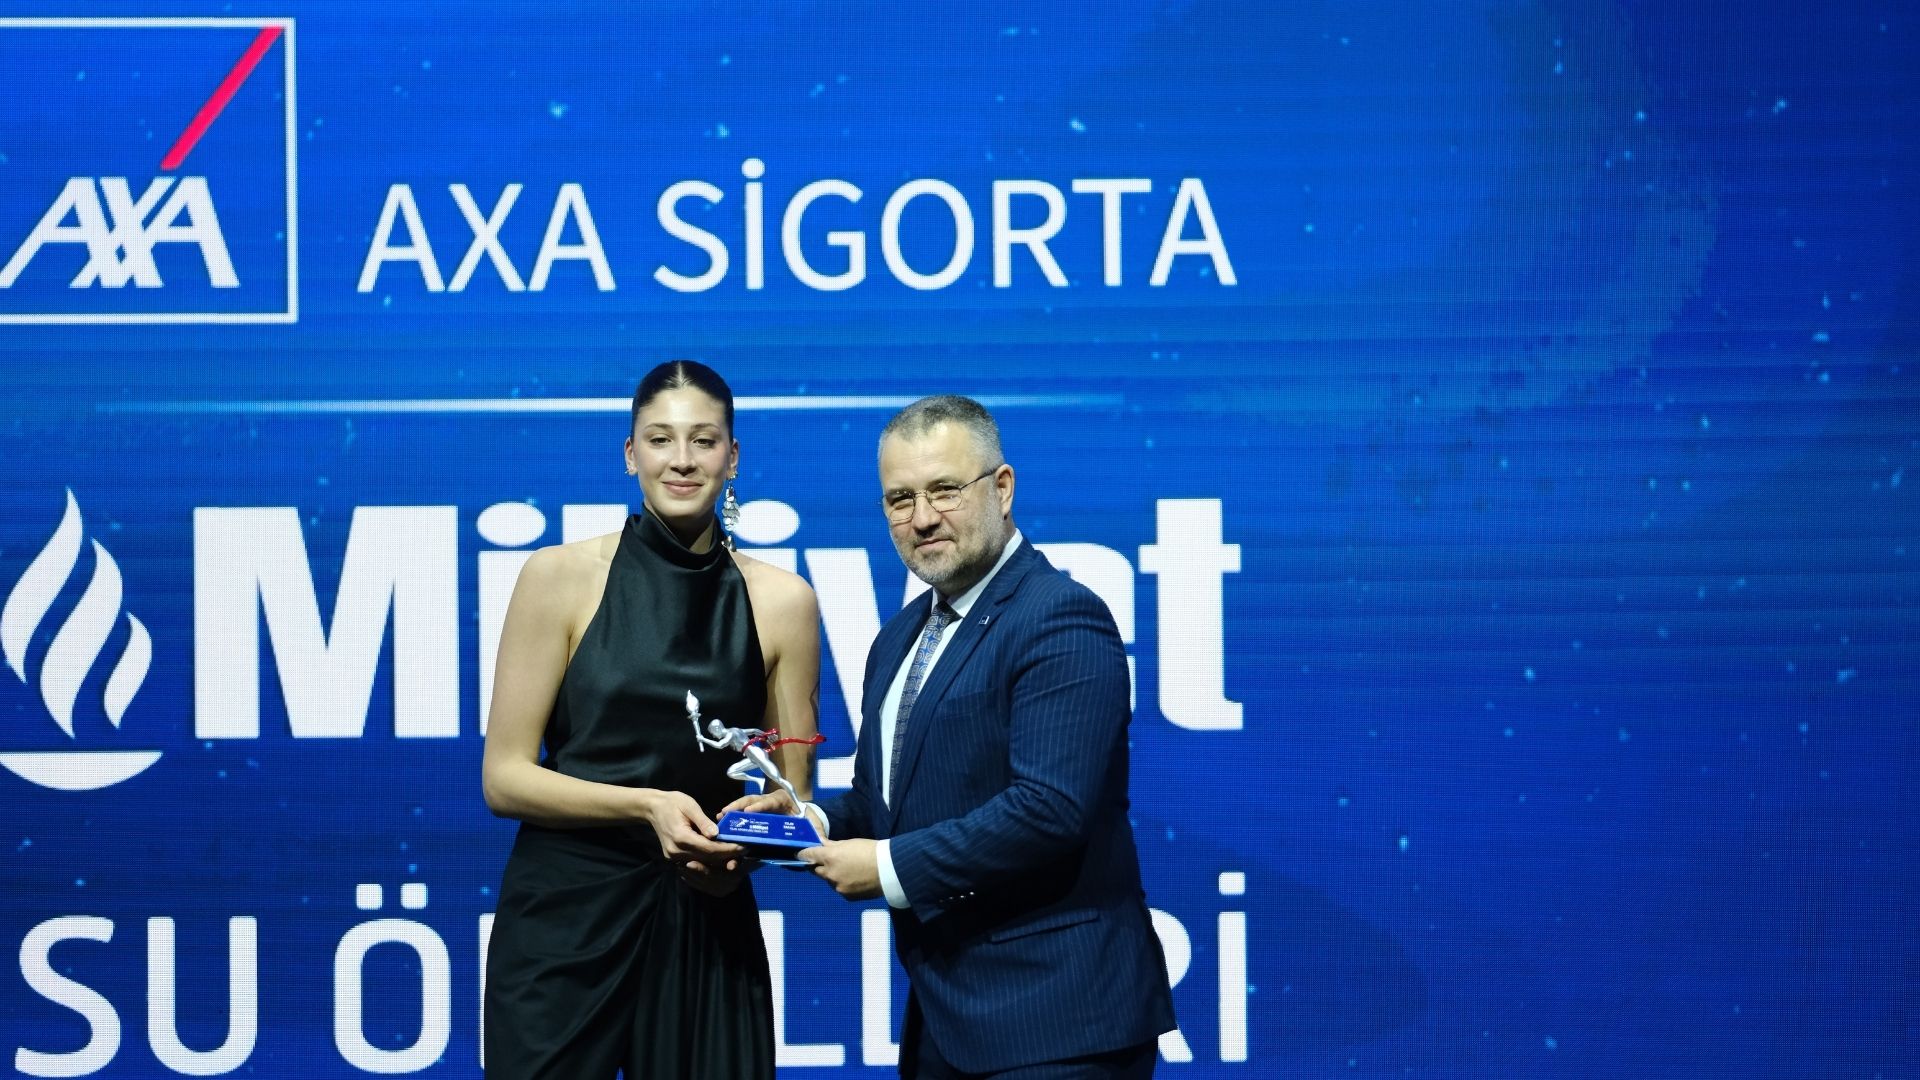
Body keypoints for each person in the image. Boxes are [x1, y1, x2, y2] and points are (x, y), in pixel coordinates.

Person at [729, 395, 1175, 1079]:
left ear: (1002, 488)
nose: (923, 518)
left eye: (944, 490)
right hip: (946, 1020)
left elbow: (1049, 809)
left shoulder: (1060, 617)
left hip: (1059, 1025)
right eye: (900, 499)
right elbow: (887, 804)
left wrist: (885, 868)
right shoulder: (898, 640)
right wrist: (804, 822)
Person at [481, 360, 821, 1078]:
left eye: (704, 440)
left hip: (706, 914)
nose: (682, 459)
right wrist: (647, 805)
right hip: (564, 920)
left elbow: (793, 798)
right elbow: (504, 778)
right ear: (631, 453)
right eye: (661, 439)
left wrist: (747, 848)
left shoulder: (784, 602)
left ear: (733, 457)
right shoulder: (556, 578)